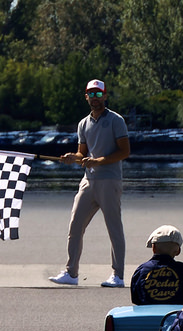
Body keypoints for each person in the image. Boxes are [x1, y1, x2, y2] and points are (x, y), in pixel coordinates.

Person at [50, 79, 131, 288]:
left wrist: (99, 161)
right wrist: (73, 157)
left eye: (99, 94)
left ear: (105, 96)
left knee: (114, 229)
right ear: (86, 97)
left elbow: (124, 151)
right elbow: (82, 154)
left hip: (110, 180)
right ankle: (71, 273)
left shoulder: (116, 120)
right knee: (75, 225)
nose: (95, 98)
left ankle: (118, 276)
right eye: (91, 94)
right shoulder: (83, 124)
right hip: (88, 181)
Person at [130, 224, 183, 308]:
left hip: (147, 314)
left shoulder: (142, 270)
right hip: (177, 314)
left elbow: (136, 298)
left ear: (153, 248)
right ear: (178, 251)